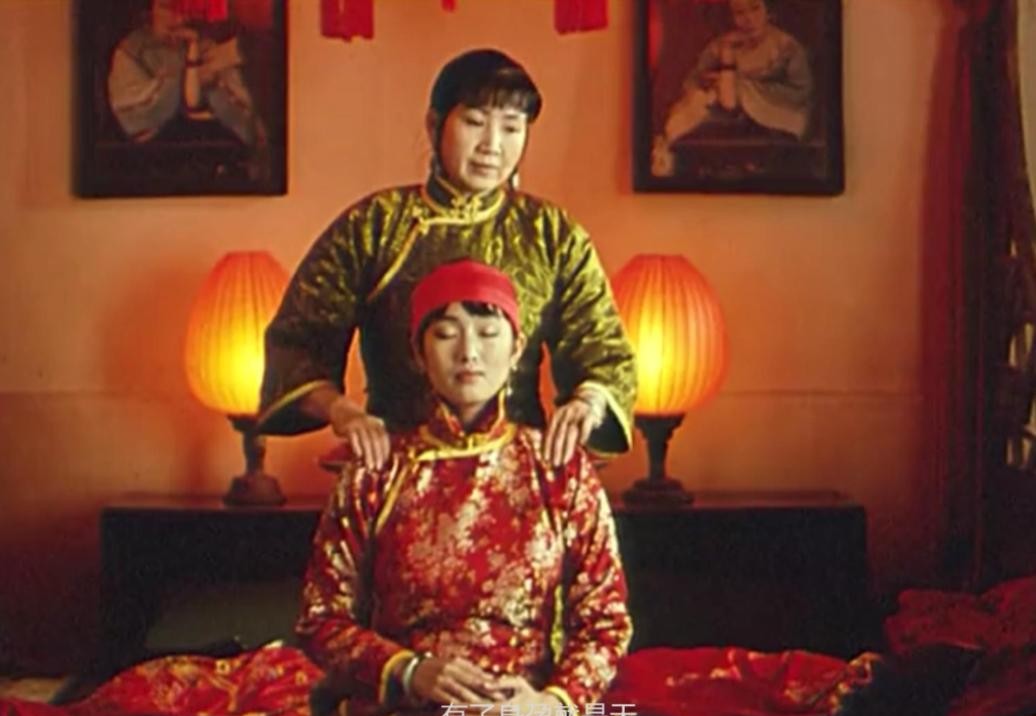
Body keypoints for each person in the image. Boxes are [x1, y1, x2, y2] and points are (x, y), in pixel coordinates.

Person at [258, 48, 636, 469]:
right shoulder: (375, 225)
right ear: (434, 124)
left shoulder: (552, 234)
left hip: (518, 472)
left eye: (511, 127)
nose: (492, 146)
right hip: (394, 468)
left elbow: (605, 355)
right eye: (474, 123)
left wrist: (588, 403)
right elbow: (297, 345)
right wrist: (343, 412)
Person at [297, 260, 632, 716]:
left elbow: (605, 621)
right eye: (446, 333)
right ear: (418, 353)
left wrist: (552, 706)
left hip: (526, 713)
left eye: (488, 332)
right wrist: (409, 671)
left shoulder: (559, 468)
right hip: (410, 713)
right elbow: (320, 618)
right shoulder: (377, 469)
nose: (469, 352)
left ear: (516, 347)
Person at [652, 0, 813, 176]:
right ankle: (665, 147)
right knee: (698, 100)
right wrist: (711, 78)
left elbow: (800, 90)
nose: (749, 19)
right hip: (725, 113)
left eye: (755, 9)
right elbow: (694, 80)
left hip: (776, 113)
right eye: (740, 13)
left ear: (768, 11)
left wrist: (744, 88)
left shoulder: (786, 46)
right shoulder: (722, 44)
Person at [107, 0, 267, 151]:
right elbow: (134, 117)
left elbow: (248, 117)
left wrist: (215, 87)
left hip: (213, 148)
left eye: (181, 8)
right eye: (166, 8)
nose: (176, 19)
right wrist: (183, 80)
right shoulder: (131, 51)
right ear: (151, 11)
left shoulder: (206, 47)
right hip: (150, 154)